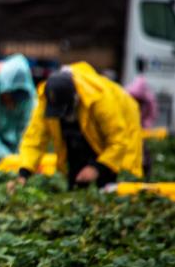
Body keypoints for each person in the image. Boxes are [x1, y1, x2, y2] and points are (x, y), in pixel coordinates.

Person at [14, 62, 143, 190]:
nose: (62, 117)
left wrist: (97, 168)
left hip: (124, 121)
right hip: (85, 133)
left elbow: (119, 141)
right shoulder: (47, 99)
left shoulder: (100, 100)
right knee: (76, 180)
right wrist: (24, 173)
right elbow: (34, 139)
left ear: (75, 99)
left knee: (113, 180)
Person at [125, 60, 158, 129]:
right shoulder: (141, 79)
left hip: (140, 116)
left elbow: (134, 92)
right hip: (142, 116)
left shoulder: (139, 79)